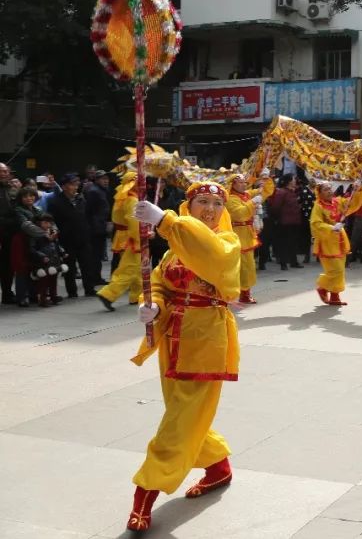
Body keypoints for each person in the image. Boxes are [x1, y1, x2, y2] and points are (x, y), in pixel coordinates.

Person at [123, 182, 241, 532]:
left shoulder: (227, 243)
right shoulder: (172, 250)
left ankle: (144, 493)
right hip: (174, 338)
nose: (209, 209)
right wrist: (154, 306)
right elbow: (159, 281)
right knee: (183, 414)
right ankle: (218, 466)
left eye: (217, 203)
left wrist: (166, 222)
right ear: (189, 205)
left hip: (207, 343)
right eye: (202, 201)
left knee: (176, 425)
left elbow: (212, 257)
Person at [309, 181, 362, 306]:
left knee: (340, 270)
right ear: (319, 193)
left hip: (340, 239)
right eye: (325, 189)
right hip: (327, 242)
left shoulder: (337, 201)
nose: (329, 191)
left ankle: (335, 295)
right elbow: (315, 224)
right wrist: (331, 227)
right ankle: (323, 287)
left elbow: (352, 203)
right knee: (335, 270)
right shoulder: (318, 206)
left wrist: (357, 189)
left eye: (330, 188)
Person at [225, 169, 274, 303]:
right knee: (240, 267)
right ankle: (234, 293)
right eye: (240, 182)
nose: (244, 184)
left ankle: (245, 293)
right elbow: (240, 214)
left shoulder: (246, 195)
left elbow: (266, 191)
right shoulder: (230, 199)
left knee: (248, 266)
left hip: (247, 234)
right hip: (236, 235)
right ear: (233, 185)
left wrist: (265, 178)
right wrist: (253, 202)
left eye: (244, 182)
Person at [46, 173, 97, 298]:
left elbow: (88, 216)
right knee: (69, 267)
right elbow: (52, 221)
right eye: (72, 184)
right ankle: (72, 292)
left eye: (76, 184)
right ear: (63, 187)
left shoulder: (81, 199)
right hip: (66, 239)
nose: (75, 187)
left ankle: (89, 289)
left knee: (87, 264)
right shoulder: (55, 202)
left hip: (83, 237)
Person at [97, 173, 143, 311]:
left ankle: (137, 296)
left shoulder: (123, 197)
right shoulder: (132, 200)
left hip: (124, 236)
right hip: (131, 238)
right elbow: (134, 222)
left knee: (136, 268)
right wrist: (142, 237)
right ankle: (108, 294)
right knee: (129, 269)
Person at [11, 187, 48, 307]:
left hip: (37, 242)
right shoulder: (17, 210)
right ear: (20, 199)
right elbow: (26, 226)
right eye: (25, 196)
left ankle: (34, 294)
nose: (29, 198)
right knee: (22, 269)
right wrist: (44, 233)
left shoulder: (38, 209)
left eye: (31, 195)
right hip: (21, 242)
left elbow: (48, 221)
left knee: (35, 267)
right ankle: (22, 297)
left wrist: (52, 230)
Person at [28, 213, 68, 307]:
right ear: (39, 223)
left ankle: (53, 296)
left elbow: (56, 245)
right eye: (45, 223)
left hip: (54, 260)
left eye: (49, 223)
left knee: (53, 279)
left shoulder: (52, 233)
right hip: (43, 262)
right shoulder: (35, 235)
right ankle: (43, 298)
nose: (48, 225)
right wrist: (42, 256)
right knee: (43, 281)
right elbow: (32, 249)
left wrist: (62, 252)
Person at [267, 174, 304, 270]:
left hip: (294, 221)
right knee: (284, 243)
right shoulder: (282, 192)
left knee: (293, 242)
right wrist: (277, 218)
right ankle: (283, 263)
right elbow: (276, 207)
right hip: (284, 222)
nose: (295, 180)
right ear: (289, 181)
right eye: (293, 179)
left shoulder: (292, 192)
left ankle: (293, 262)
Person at [83, 170, 112, 272]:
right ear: (97, 180)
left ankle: (97, 276)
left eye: (107, 179)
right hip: (95, 229)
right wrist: (96, 226)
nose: (106, 181)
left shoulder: (102, 190)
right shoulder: (94, 191)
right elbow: (89, 211)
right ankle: (94, 277)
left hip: (100, 226)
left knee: (98, 254)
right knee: (95, 254)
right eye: (103, 179)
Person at [0, 162, 19, 303]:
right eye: (1, 171)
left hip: (10, 234)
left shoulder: (13, 190)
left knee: (8, 265)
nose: (3, 174)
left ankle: (7, 293)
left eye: (6, 171)